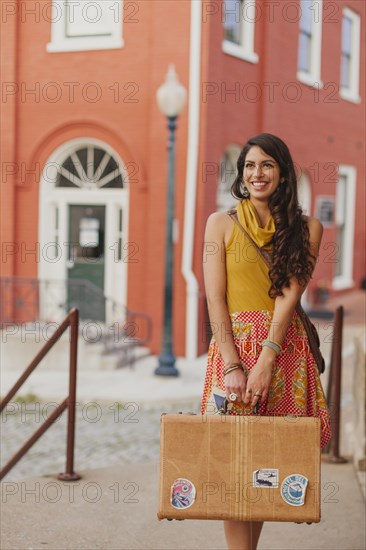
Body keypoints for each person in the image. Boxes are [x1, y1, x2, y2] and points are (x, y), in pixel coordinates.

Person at [201, 133, 331, 550]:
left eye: (267, 165)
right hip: (232, 350)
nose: (257, 174)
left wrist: (268, 358)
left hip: (284, 351)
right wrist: (234, 364)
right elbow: (214, 298)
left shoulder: (309, 228)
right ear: (242, 174)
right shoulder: (218, 223)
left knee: (265, 467)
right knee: (230, 465)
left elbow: (289, 296)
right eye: (250, 166)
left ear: (283, 173)